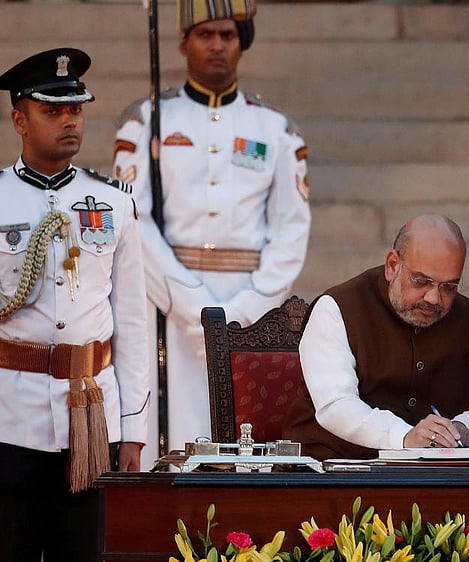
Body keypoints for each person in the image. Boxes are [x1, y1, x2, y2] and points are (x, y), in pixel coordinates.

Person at [112, 0, 311, 468]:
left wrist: (247, 310)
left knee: (243, 445)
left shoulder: (276, 129)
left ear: (242, 43)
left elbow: (291, 228)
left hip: (251, 304)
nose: (217, 45)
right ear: (183, 42)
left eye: (228, 35)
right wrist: (187, 302)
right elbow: (133, 216)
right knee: (172, 438)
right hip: (167, 303)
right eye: (205, 34)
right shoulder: (145, 121)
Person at [0, 48, 150, 561]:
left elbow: (132, 321)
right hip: (8, 417)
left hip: (92, 415)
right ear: (19, 119)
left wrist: (136, 431)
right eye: (52, 111)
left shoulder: (115, 203)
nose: (69, 121)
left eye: (76, 110)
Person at [283, 214, 469, 460]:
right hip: (331, 469)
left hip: (434, 477)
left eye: (449, 287)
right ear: (392, 266)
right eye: (421, 281)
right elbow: (335, 406)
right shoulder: (338, 308)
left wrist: (460, 429)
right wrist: (404, 436)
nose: (434, 298)